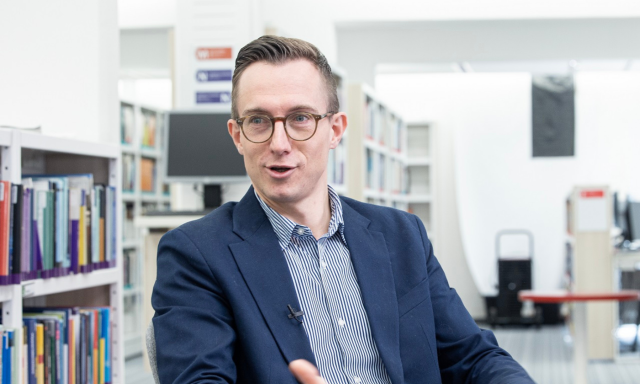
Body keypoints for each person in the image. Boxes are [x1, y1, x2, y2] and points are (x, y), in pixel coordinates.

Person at [151, 35, 534, 384]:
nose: (280, 142)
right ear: (238, 136)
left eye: (300, 118)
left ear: (335, 130)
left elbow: (472, 356)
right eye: (258, 121)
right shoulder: (195, 254)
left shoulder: (402, 236)